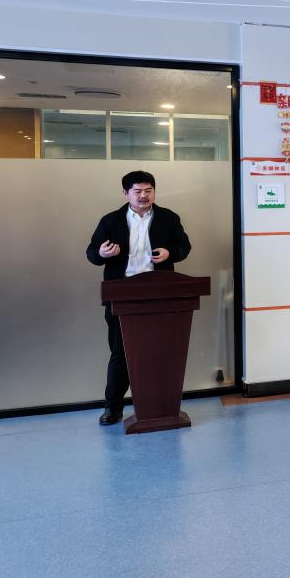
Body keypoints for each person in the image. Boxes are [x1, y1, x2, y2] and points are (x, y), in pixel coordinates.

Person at [85, 170, 192, 425]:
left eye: (148, 191)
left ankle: (161, 406)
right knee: (121, 353)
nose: (144, 196)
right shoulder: (111, 220)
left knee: (161, 350)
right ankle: (113, 407)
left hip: (160, 295)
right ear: (126, 193)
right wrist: (102, 253)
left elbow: (184, 247)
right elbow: (92, 253)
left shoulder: (168, 217)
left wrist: (170, 254)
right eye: (137, 191)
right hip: (122, 296)